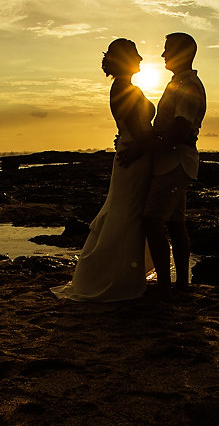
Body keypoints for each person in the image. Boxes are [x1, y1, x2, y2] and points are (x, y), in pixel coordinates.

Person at [52, 39, 155, 302]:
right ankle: (117, 276)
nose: (141, 58)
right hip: (135, 158)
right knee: (128, 215)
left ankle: (122, 273)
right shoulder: (126, 90)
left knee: (124, 212)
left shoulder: (123, 88)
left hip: (131, 154)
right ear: (124, 60)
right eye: (135, 54)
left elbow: (132, 129)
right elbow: (142, 134)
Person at [118, 32, 205, 291]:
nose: (163, 55)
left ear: (184, 54)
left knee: (152, 220)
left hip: (175, 162)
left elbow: (180, 130)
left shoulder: (189, 85)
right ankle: (180, 284)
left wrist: (141, 147)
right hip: (171, 161)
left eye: (168, 50)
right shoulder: (179, 82)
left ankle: (167, 284)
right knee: (175, 222)